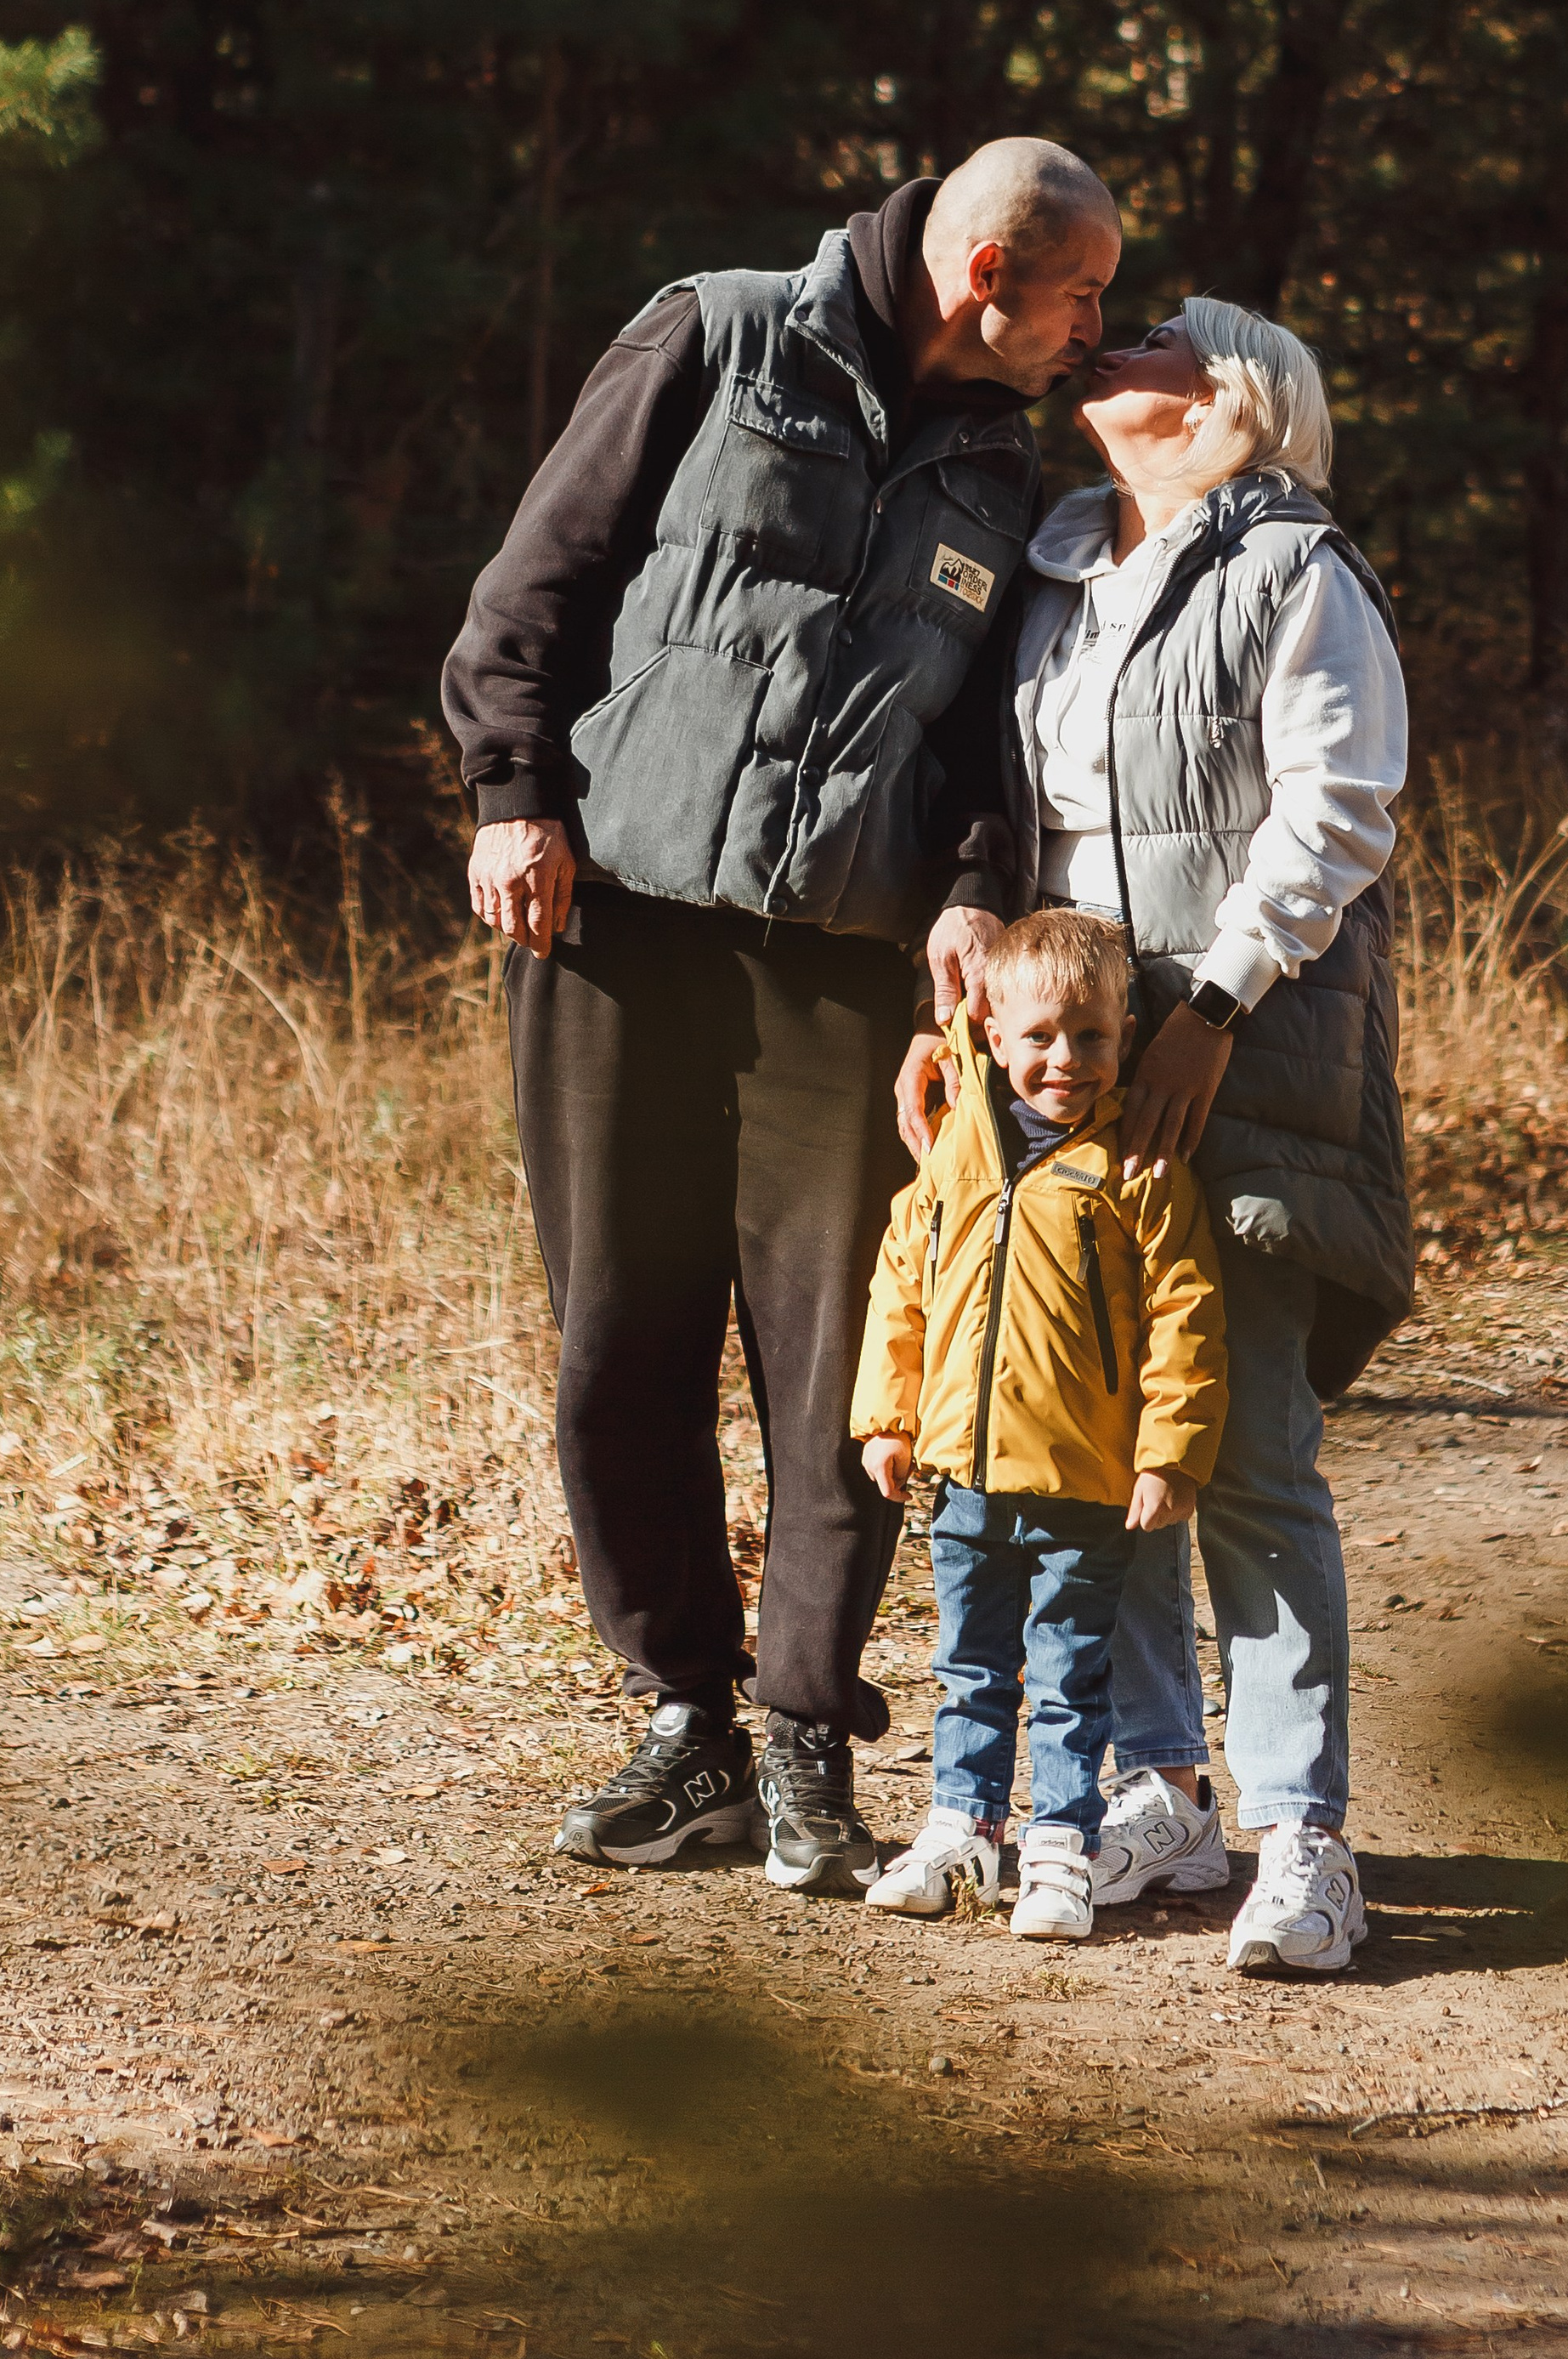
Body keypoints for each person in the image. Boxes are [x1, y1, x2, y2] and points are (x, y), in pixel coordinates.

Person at [442, 143, 1121, 1892]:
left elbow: (985, 732)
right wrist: (512, 792)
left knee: (839, 1365)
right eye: (1081, 294)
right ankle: (689, 1726)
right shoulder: (715, 337)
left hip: (847, 968)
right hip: (618, 925)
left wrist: (973, 885)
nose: (1095, 331)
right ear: (985, 271)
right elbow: (537, 579)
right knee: (621, 1338)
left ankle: (808, 1730)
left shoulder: (1000, 464)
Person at [897, 296, 1409, 1976]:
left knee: (1244, 1451)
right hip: (1074, 1072)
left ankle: (1303, 1835)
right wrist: (972, 1017)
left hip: (1240, 1050)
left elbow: (1336, 813)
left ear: (1237, 401)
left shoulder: (1296, 570)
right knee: (1090, 1445)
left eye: (1167, 337)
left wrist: (1216, 1008)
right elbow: (1020, 829)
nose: (1122, 341)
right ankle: (1164, 1791)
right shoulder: (1056, 568)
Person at [854, 909, 1226, 1940]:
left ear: (1127, 1035)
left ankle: (1060, 1847)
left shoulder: (1140, 1167)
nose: (1066, 1060)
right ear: (992, 1034)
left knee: (1069, 1676)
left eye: (1092, 1036)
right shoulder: (957, 1150)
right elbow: (901, 1284)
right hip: (963, 1477)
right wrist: (887, 1418)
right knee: (968, 1667)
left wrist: (1169, 1455)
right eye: (1040, 1037)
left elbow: (1186, 1316)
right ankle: (962, 1829)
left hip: (1085, 1481)